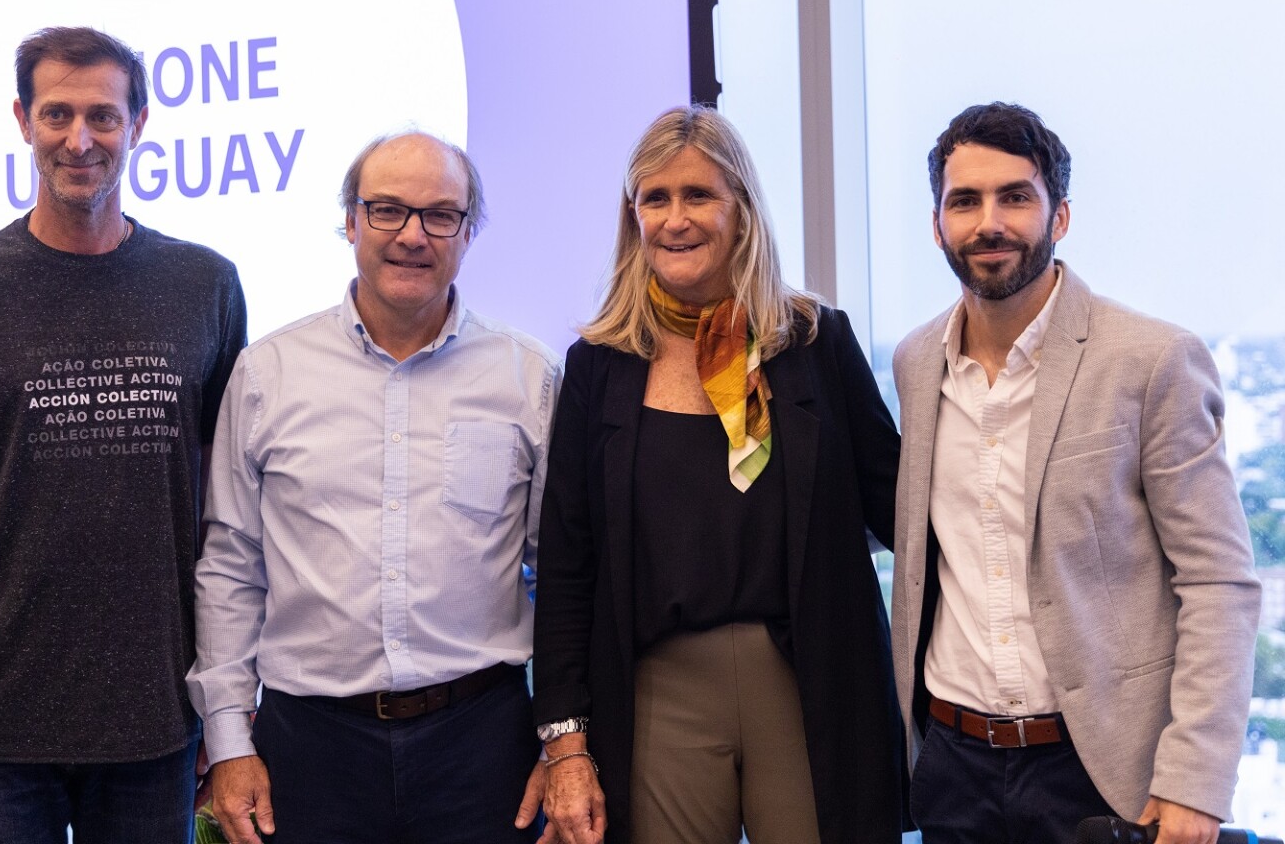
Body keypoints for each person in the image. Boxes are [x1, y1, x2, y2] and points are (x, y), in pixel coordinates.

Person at [0, 26, 248, 844]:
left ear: (139, 125)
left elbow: (229, 514)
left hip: (156, 723)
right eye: (57, 115)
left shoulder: (205, 286)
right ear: (22, 120)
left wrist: (228, 712)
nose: (80, 140)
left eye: (103, 117)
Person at [531, 105, 905, 844]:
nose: (676, 219)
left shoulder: (814, 342)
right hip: (657, 693)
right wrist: (565, 743)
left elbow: (900, 508)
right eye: (655, 198)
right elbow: (569, 568)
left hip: (808, 683)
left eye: (699, 195)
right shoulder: (597, 367)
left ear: (741, 209)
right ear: (632, 215)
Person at [891, 102, 1261, 844]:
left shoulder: (1151, 360)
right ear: (938, 225)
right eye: (964, 201)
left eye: (1015, 197)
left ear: (1059, 217)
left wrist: (1194, 782)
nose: (988, 222)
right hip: (952, 766)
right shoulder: (915, 361)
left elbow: (1219, 582)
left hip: (1100, 770)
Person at [187, 130, 562, 844]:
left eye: (440, 215)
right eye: (387, 210)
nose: (412, 236)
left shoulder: (528, 379)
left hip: (483, 745)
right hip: (310, 747)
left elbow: (565, 577)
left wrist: (562, 743)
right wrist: (231, 744)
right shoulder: (269, 374)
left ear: (468, 232)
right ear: (351, 221)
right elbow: (231, 568)